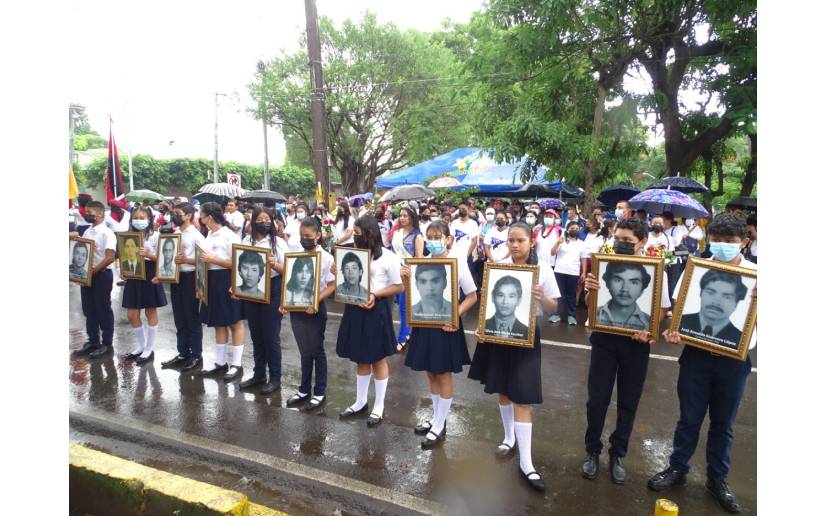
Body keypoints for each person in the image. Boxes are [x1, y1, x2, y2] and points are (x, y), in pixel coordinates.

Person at [648, 214, 756, 514]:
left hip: (734, 360)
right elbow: (677, 311)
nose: (722, 246)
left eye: (730, 242)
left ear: (744, 243)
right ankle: (678, 468)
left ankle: (717, 479)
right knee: (689, 418)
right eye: (717, 241)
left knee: (724, 424)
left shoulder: (757, 275)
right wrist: (672, 329)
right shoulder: (695, 271)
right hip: (695, 356)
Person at [468, 221, 561, 492]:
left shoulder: (542, 269)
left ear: (531, 242)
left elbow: (554, 304)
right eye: (511, 240)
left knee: (523, 397)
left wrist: (542, 297)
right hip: (498, 337)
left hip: (526, 339)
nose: (515, 245)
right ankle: (508, 437)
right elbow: (487, 305)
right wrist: (482, 328)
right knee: (503, 391)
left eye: (520, 240)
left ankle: (527, 462)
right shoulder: (498, 267)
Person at [581, 217, 671, 484]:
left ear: (642, 242)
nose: (621, 244)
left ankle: (618, 453)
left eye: (627, 241)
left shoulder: (657, 272)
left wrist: (651, 331)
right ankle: (592, 451)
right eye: (617, 239)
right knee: (597, 399)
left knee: (628, 403)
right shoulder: (602, 266)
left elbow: (662, 310)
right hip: (604, 340)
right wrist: (590, 291)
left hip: (636, 345)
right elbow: (590, 305)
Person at [403, 220, 478, 448]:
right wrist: (407, 279)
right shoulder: (421, 263)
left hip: (447, 327)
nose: (433, 241)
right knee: (430, 373)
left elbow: (472, 296)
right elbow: (413, 295)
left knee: (443, 375)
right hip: (424, 325)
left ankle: (439, 425)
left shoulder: (457, 263)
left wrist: (455, 315)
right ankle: (437, 418)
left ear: (448, 239)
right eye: (430, 237)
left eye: (438, 237)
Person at [336, 215, 403, 428]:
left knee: (377, 359)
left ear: (370, 234)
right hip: (355, 307)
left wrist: (375, 294)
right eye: (354, 233)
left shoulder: (388, 257)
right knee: (361, 358)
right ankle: (360, 401)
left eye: (358, 233)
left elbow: (398, 286)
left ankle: (379, 406)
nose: (355, 237)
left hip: (376, 309)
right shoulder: (353, 253)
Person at [282, 217, 336, 410]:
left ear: (318, 235)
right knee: (304, 350)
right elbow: (289, 282)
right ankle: (304, 389)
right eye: (302, 236)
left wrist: (316, 300)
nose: (305, 239)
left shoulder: (327, 258)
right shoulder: (295, 255)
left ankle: (319, 391)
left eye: (308, 236)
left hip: (315, 309)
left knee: (317, 351)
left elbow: (332, 285)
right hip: (297, 309)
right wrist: (285, 302)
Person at [235, 207, 288, 394]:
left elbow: (288, 270)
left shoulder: (278, 243)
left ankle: (275, 378)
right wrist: (236, 285)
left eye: (268, 219)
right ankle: (259, 375)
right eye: (260, 219)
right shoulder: (246, 241)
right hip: (252, 292)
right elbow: (239, 266)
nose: (264, 222)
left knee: (271, 337)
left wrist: (275, 264)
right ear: (253, 221)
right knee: (256, 336)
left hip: (273, 290)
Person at [197, 202, 246, 382]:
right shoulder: (208, 234)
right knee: (218, 322)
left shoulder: (229, 236)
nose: (200, 219)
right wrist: (200, 285)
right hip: (211, 280)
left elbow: (239, 262)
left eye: (201, 215)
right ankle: (220, 362)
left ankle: (237, 364)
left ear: (209, 216)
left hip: (227, 279)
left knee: (234, 322)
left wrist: (214, 259)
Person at [160, 203, 206, 371]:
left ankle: (196, 354)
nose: (174, 216)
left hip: (190, 277)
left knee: (191, 317)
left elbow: (204, 259)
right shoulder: (175, 234)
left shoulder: (196, 236)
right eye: (174, 213)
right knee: (179, 317)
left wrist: (186, 260)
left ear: (188, 215)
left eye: (178, 213)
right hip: (175, 278)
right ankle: (182, 352)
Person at [121, 206, 168, 365]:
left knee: (150, 311)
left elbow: (162, 258)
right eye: (136, 217)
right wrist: (124, 270)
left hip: (149, 273)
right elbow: (124, 256)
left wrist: (149, 255)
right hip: (134, 274)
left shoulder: (155, 236)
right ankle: (141, 346)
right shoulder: (128, 235)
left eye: (142, 217)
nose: (139, 220)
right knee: (132, 314)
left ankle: (149, 348)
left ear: (149, 219)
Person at [70, 201, 117, 359]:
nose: (85, 213)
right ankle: (93, 341)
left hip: (102, 275)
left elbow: (110, 257)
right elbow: (82, 251)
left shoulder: (107, 233)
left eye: (89, 211)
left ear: (99, 214)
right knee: (88, 309)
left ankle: (107, 343)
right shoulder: (88, 231)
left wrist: (92, 271)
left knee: (103, 309)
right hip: (88, 276)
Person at [678, 269, 747, 349]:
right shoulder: (680, 323)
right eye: (710, 292)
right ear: (701, 293)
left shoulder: (740, 339)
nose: (716, 302)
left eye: (727, 297)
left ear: (736, 303)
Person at [391, 206, 424, 350]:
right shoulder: (397, 233)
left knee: (405, 307)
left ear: (412, 217)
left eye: (405, 215)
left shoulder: (417, 236)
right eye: (401, 215)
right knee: (401, 306)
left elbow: (420, 259)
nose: (402, 218)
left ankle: (403, 337)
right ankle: (410, 331)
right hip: (396, 274)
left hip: (409, 276)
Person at [549, 221, 587, 325]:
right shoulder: (561, 241)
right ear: (567, 230)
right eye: (572, 228)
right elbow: (552, 253)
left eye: (576, 229)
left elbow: (583, 258)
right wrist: (557, 243)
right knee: (559, 294)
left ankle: (571, 315)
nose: (574, 230)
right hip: (559, 271)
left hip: (573, 272)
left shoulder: (582, 244)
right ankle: (557, 314)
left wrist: (583, 273)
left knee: (571, 295)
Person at [596, 262, 652, 331]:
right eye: (618, 280)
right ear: (607, 284)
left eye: (633, 282)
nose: (625, 289)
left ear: (642, 289)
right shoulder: (595, 314)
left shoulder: (649, 323)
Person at [484, 275, 530, 340]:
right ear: (493, 298)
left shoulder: (527, 332)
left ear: (519, 300)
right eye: (500, 295)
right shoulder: (483, 326)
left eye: (511, 296)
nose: (505, 301)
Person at [449, 202, 480, 271]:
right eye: (459, 209)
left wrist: (467, 255)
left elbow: (474, 240)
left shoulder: (473, 223)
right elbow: (451, 238)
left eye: (463, 208)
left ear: (468, 209)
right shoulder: (454, 222)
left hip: (467, 255)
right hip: (455, 254)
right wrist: (451, 250)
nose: (461, 210)